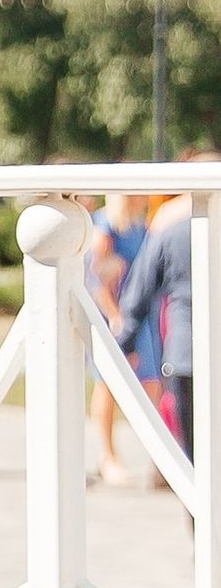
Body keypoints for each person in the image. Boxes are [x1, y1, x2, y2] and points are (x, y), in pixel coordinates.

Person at [119, 162, 219, 466]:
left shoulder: (170, 231)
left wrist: (125, 343)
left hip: (186, 354)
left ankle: (197, 513)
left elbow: (138, 293)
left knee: (196, 458)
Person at [87, 195, 153, 485]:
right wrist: (116, 317)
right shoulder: (106, 227)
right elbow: (97, 279)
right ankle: (107, 455)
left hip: (141, 317)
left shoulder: (141, 226)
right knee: (109, 385)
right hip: (115, 318)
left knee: (152, 384)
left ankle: (158, 458)